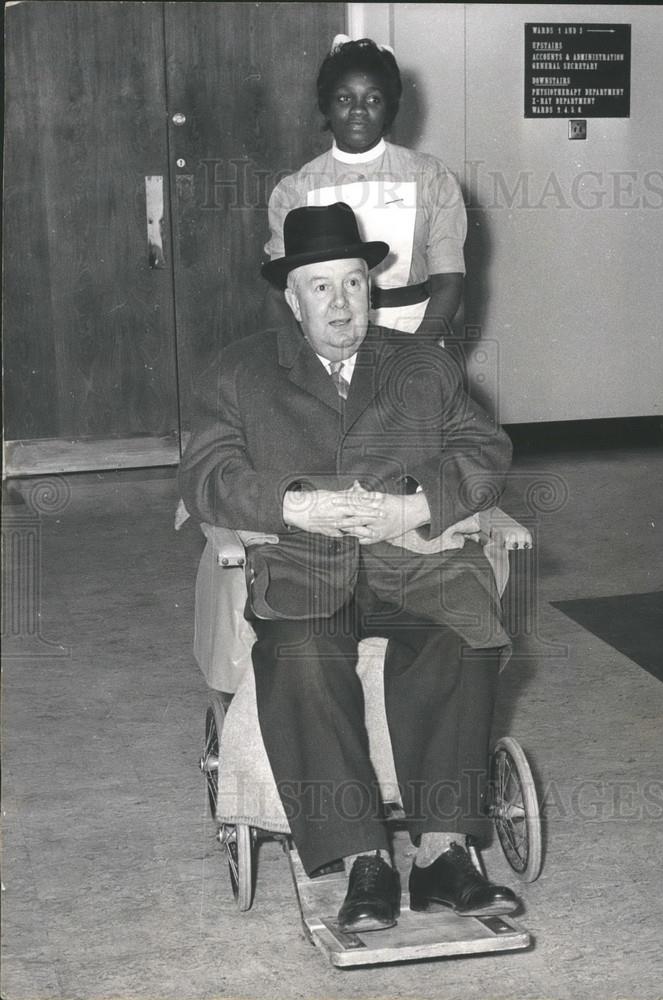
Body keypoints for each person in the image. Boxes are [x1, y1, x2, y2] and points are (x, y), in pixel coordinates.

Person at [180, 202, 519, 932]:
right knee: (301, 655)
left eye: (354, 284)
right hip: (305, 569)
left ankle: (441, 854)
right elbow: (206, 474)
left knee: (464, 636)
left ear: (373, 288)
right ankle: (361, 857)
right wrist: (291, 504)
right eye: (321, 287)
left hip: (414, 565)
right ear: (291, 297)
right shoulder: (238, 373)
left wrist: (415, 506)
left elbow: (485, 453)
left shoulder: (420, 367)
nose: (341, 304)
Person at [262, 35, 466, 340]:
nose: (358, 110)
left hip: (415, 331)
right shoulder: (295, 190)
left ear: (389, 108)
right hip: (327, 338)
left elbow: (449, 282)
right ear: (326, 105)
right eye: (345, 98)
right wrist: (306, 356)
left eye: (373, 99)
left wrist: (413, 352)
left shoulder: (431, 177)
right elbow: (280, 293)